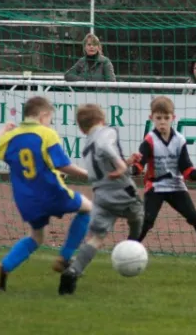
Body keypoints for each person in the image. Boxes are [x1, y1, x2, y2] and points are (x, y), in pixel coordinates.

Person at [0, 96, 93, 291]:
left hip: (25, 199)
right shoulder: (46, 133)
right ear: (43, 116)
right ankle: (64, 258)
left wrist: (3, 130)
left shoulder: (11, 137)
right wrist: (87, 174)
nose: (50, 122)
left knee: (36, 237)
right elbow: (62, 164)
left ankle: (2, 267)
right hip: (50, 192)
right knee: (88, 208)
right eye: (50, 118)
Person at [132, 96, 196, 269]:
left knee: (195, 218)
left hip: (176, 186)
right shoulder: (149, 140)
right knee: (146, 221)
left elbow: (186, 169)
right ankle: (128, 251)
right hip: (155, 186)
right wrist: (130, 169)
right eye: (158, 118)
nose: (162, 122)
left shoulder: (179, 140)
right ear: (151, 118)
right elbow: (139, 166)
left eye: (166, 118)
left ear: (173, 118)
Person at [58, 104, 144, 295]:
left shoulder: (87, 146)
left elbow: (103, 165)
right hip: (122, 191)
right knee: (138, 217)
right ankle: (132, 250)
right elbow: (106, 147)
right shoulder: (107, 131)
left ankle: (73, 271)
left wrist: (127, 162)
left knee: (97, 238)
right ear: (102, 120)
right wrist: (122, 165)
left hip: (101, 197)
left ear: (81, 128)